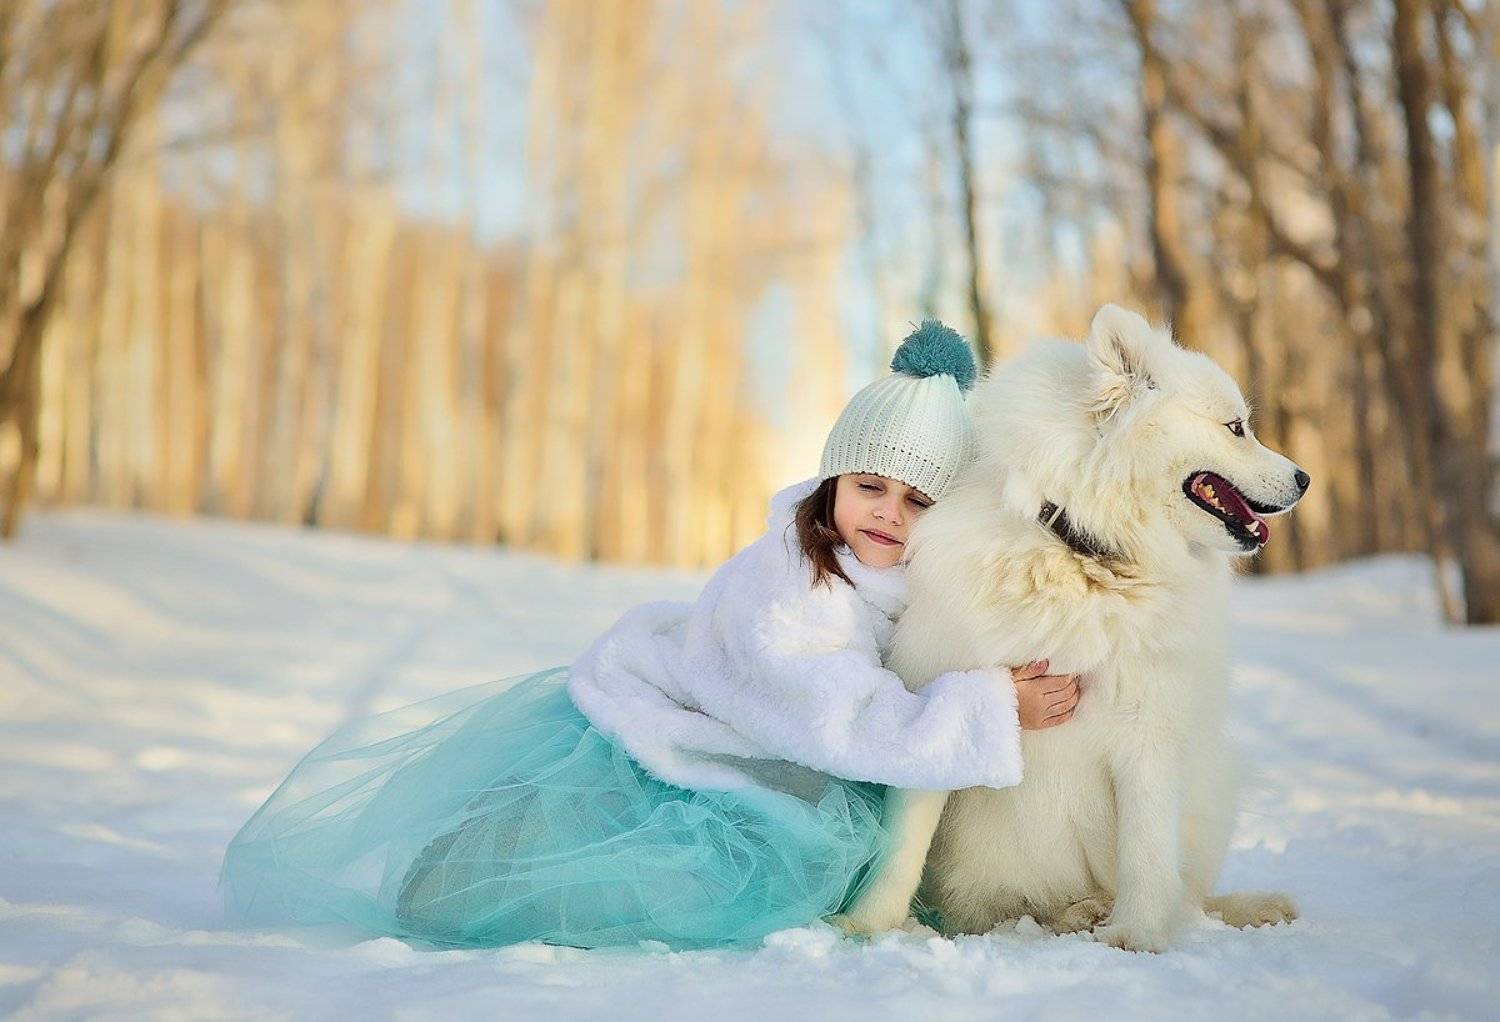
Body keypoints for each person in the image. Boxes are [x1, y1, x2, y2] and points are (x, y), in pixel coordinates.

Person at [221, 321, 1080, 951]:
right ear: (831, 483)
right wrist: (984, 708)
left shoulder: (891, 575)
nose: (890, 514)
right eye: (869, 487)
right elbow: (834, 712)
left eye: (920, 500)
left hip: (753, 740)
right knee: (642, 867)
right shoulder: (794, 583)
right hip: (694, 737)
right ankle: (458, 883)